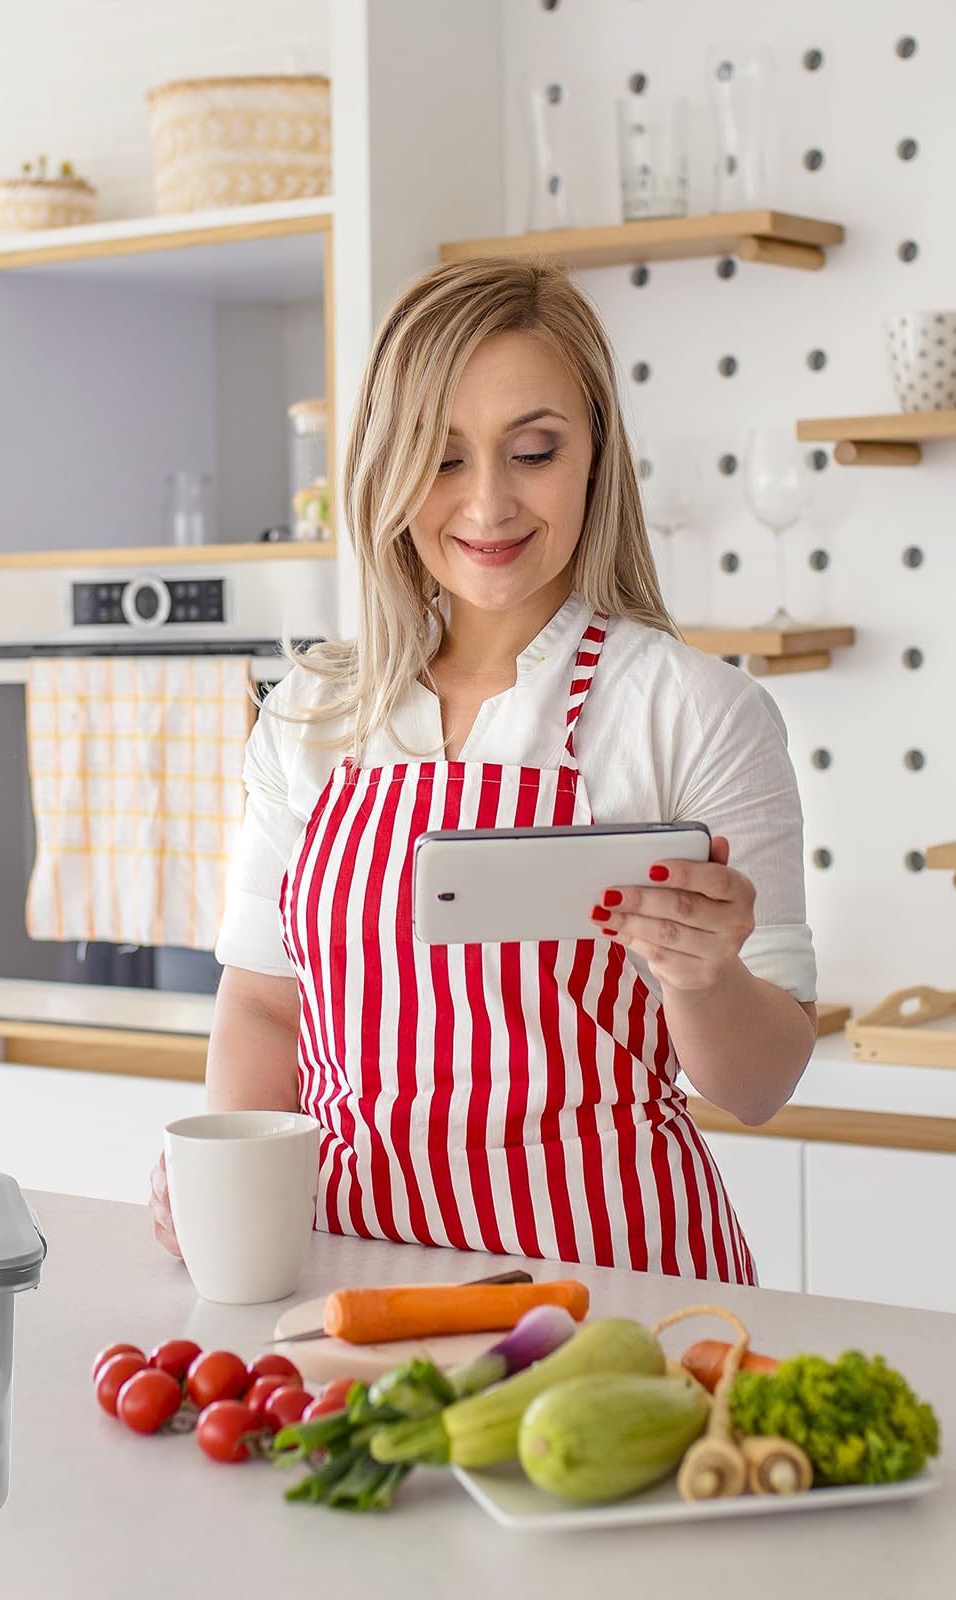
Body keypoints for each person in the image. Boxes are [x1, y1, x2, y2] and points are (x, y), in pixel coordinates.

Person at [149, 256, 817, 1284]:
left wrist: (704, 975)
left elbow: (759, 1082)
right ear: (384, 464)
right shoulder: (313, 713)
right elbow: (264, 1005)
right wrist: (235, 1174)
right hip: (348, 1281)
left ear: (594, 452)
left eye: (533, 449)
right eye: (443, 456)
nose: (489, 502)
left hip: (615, 1297)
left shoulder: (693, 711)